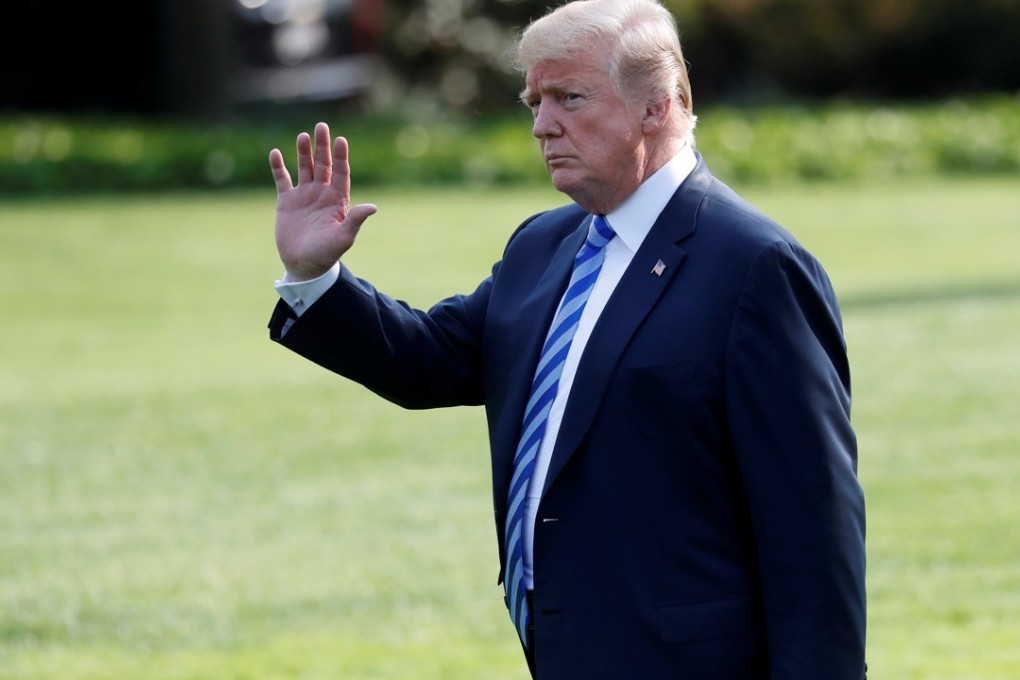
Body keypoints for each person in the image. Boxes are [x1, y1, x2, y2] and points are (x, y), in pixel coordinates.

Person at [266, 0, 867, 676]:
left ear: (657, 106)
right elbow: (429, 363)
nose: (542, 125)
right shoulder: (542, 245)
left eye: (568, 98)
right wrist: (316, 277)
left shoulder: (755, 267)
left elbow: (813, 532)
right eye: (534, 102)